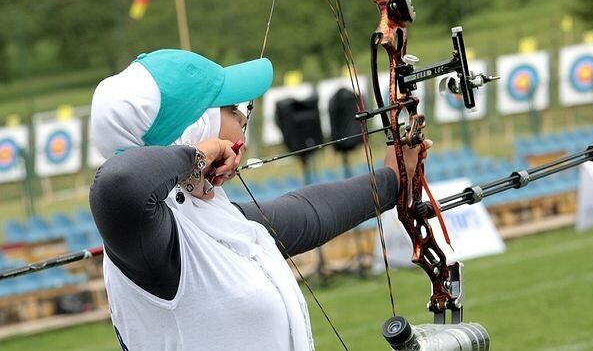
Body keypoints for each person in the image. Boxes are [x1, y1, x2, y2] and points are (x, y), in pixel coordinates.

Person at [89, 49, 427, 351]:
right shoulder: (149, 243)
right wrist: (198, 155)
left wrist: (392, 179)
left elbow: (308, 214)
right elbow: (119, 182)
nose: (243, 121)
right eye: (231, 110)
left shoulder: (211, 218)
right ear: (195, 127)